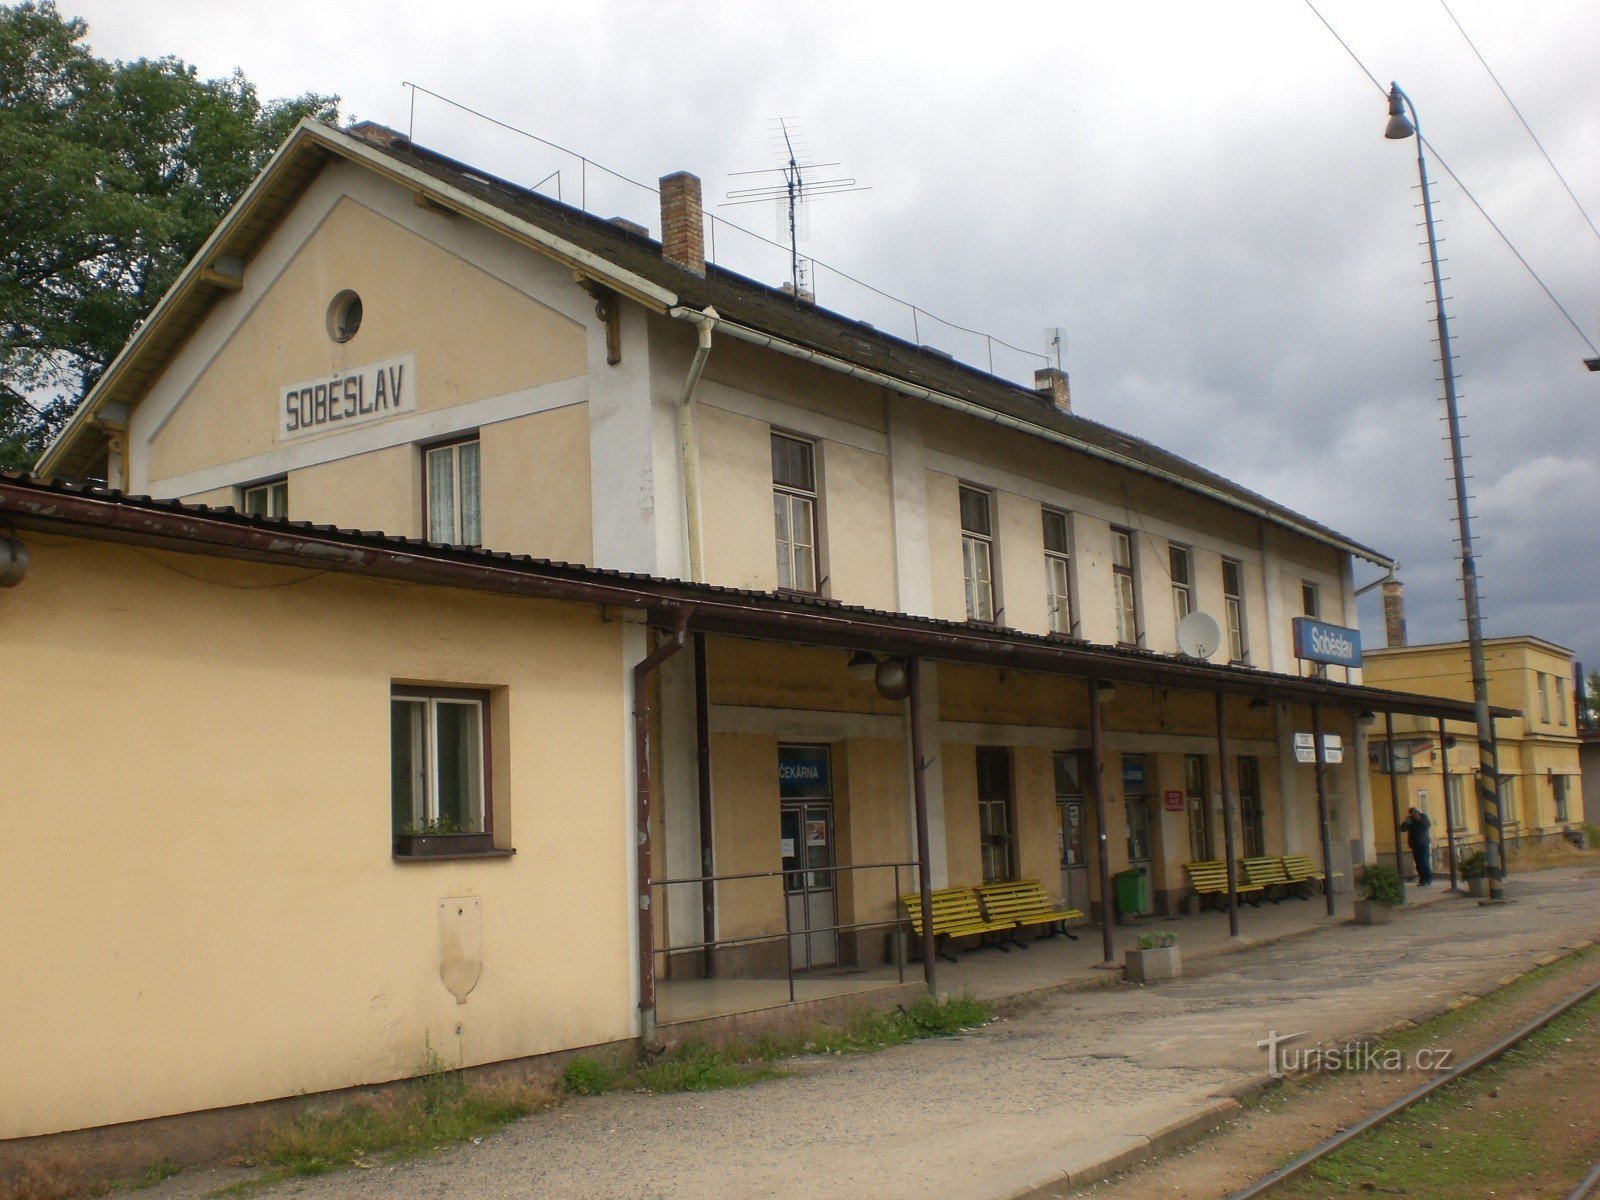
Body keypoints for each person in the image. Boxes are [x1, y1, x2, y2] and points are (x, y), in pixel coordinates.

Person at [1399, 806, 1433, 886]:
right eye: (1411, 813)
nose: (1413, 814)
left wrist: (1419, 819)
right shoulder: (1410, 819)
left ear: (1417, 812)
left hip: (1423, 843)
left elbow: (1427, 825)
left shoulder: (1423, 816)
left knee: (1424, 861)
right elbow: (1402, 829)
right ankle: (1422, 880)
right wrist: (1405, 823)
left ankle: (1428, 879)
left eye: (1414, 813)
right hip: (1414, 844)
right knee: (1418, 862)